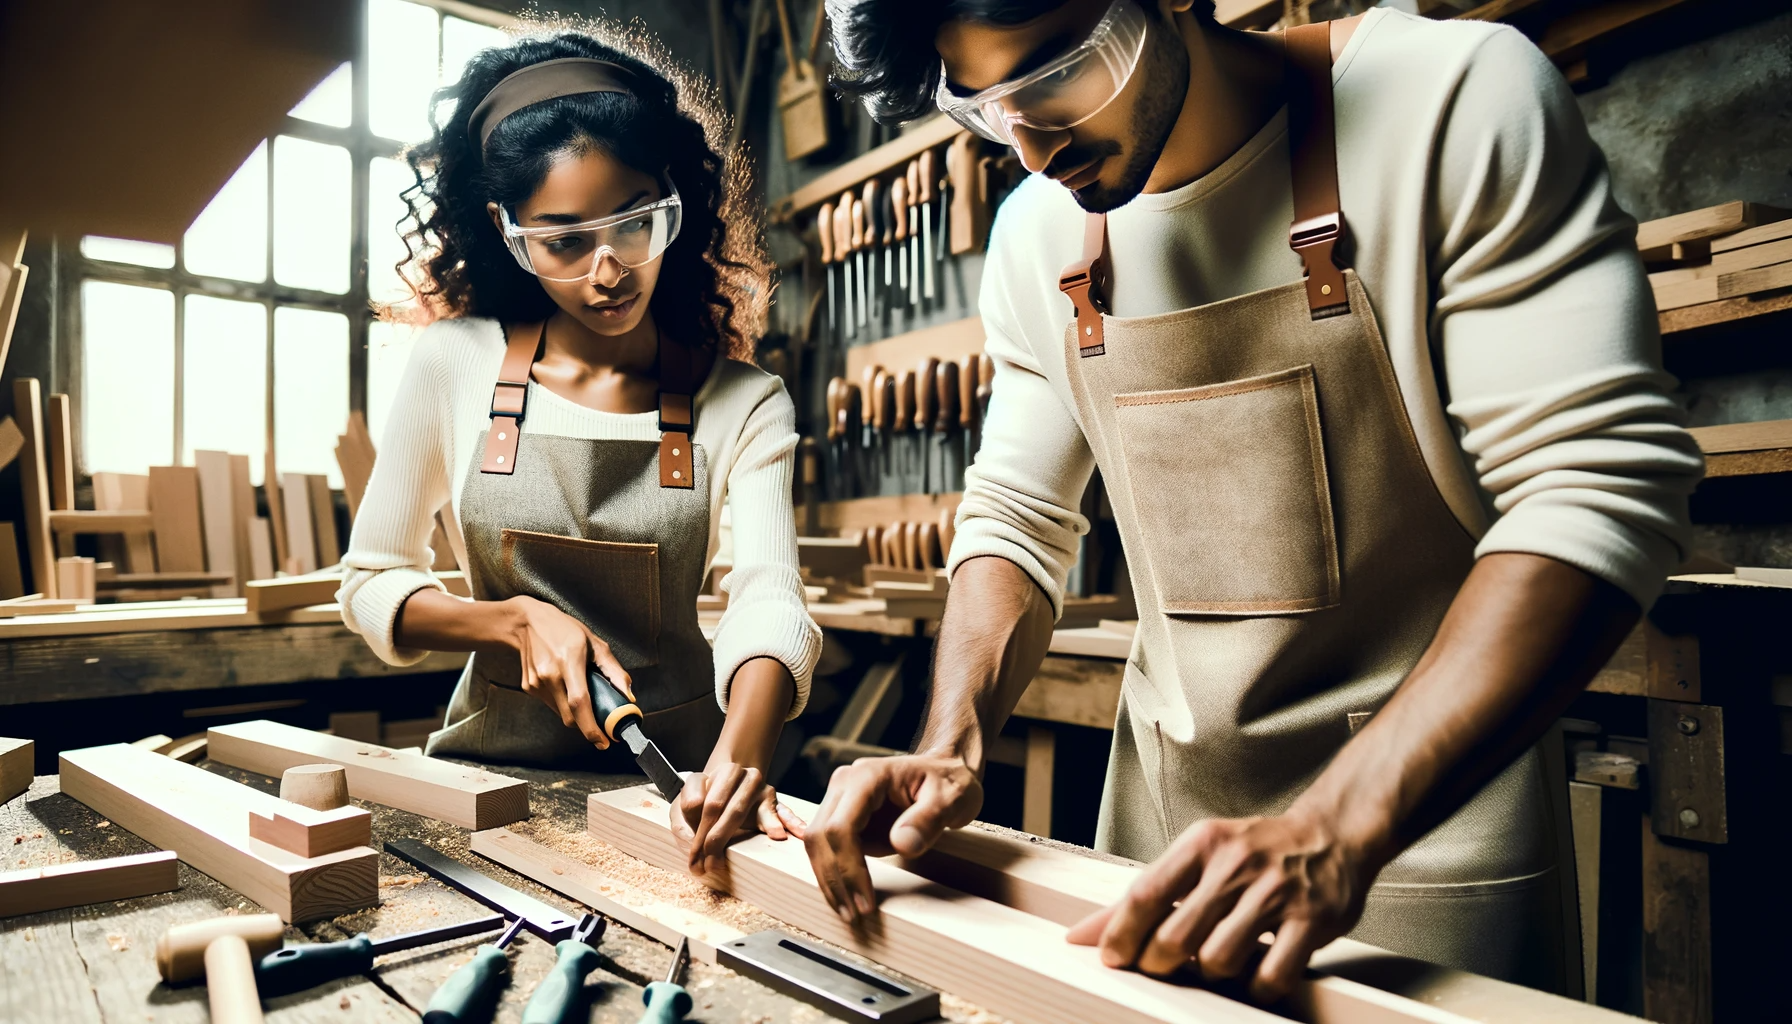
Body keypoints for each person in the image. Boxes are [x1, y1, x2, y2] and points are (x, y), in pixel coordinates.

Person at [803, 0, 1704, 998]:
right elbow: (1015, 517)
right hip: (1152, 858)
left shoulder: (1450, 99)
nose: (1031, 148)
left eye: (1053, 75)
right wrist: (948, 746)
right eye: (984, 107)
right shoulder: (1036, 236)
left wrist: (1336, 826)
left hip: (1421, 855)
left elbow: (1593, 486)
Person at [339, 28, 820, 872]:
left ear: (672, 199)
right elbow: (370, 582)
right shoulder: (454, 363)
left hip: (680, 796)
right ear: (509, 230)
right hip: (488, 791)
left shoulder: (744, 401)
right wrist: (513, 621)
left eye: (634, 225)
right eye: (564, 241)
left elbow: (769, 603)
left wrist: (738, 763)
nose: (608, 272)